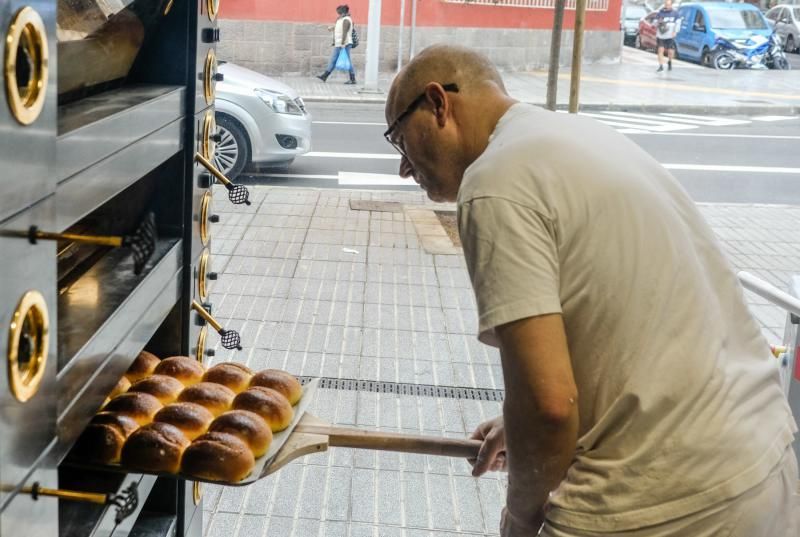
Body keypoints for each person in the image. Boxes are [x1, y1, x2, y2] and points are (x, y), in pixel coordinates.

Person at [383, 44, 798, 537]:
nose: (404, 167)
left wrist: (519, 517)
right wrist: (519, 427)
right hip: (764, 466)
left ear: (438, 103)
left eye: (399, 139)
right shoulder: (584, 137)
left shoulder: (495, 182)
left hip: (661, 505)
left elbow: (549, 406)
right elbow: (629, 323)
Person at [316, 4, 356, 85]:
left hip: (344, 44)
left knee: (347, 61)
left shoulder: (346, 20)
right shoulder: (341, 19)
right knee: (333, 60)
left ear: (343, 12)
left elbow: (345, 32)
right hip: (339, 43)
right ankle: (325, 76)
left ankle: (352, 79)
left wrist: (342, 44)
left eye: (339, 12)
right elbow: (340, 28)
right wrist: (332, 28)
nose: (338, 13)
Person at [655, 0, 681, 72]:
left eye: (669, 5)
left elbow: (678, 23)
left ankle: (669, 61)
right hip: (661, 35)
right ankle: (661, 66)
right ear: (664, 5)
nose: (667, 6)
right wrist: (658, 22)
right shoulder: (660, 13)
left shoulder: (675, 14)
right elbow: (654, 23)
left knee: (670, 52)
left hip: (670, 36)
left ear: (671, 5)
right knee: (660, 50)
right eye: (666, 4)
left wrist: (675, 32)